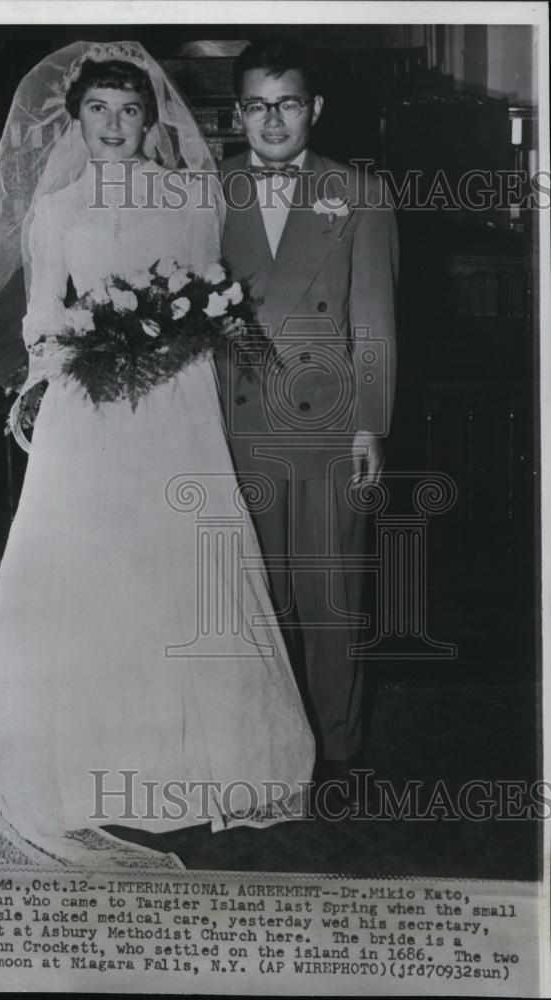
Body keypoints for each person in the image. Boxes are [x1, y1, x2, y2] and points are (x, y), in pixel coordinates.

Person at [0, 41, 315, 868]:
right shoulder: (55, 209)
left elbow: (208, 291)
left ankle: (198, 767)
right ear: (76, 119)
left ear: (150, 117)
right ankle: (73, 768)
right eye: (98, 110)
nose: (115, 125)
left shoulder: (187, 194)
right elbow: (39, 319)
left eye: (130, 110)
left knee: (176, 568)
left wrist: (170, 343)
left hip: (175, 410)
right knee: (84, 573)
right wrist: (54, 370)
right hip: (90, 415)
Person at [215, 40, 398, 779]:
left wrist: (371, 423)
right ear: (236, 114)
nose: (272, 120)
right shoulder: (206, 190)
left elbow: (375, 319)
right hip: (236, 422)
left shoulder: (359, 192)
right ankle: (269, 741)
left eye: (287, 103)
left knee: (331, 595)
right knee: (260, 595)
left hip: (328, 420)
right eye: (257, 106)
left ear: (313, 109)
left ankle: (339, 743)